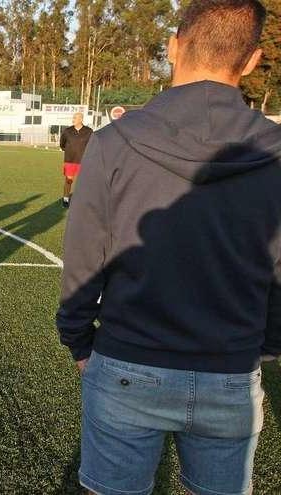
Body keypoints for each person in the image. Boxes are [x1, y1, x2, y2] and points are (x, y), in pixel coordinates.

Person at [56, 1, 280, 494]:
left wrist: (77, 339)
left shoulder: (113, 142)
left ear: (173, 47)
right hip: (231, 372)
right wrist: (266, 345)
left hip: (125, 366)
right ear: (250, 60)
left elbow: (83, 258)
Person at [58, 112, 92, 208]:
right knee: (69, 180)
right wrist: (69, 151)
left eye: (75, 118)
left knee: (84, 181)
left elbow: (92, 145)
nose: (73, 119)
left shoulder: (89, 131)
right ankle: (65, 199)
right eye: (73, 118)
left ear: (81, 119)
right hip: (70, 160)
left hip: (84, 161)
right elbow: (62, 144)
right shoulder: (67, 131)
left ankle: (83, 200)